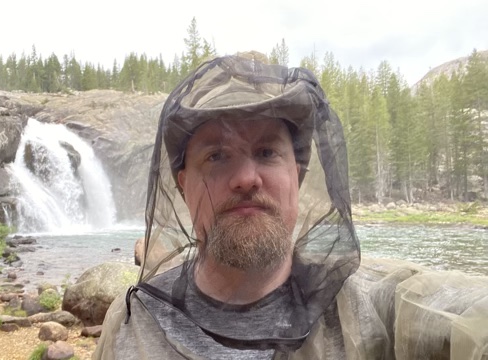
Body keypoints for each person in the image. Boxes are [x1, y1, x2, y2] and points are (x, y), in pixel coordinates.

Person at [94, 51, 361, 359]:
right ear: (184, 187)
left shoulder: (374, 305)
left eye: (266, 152)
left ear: (296, 176)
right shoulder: (131, 323)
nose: (246, 179)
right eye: (217, 156)